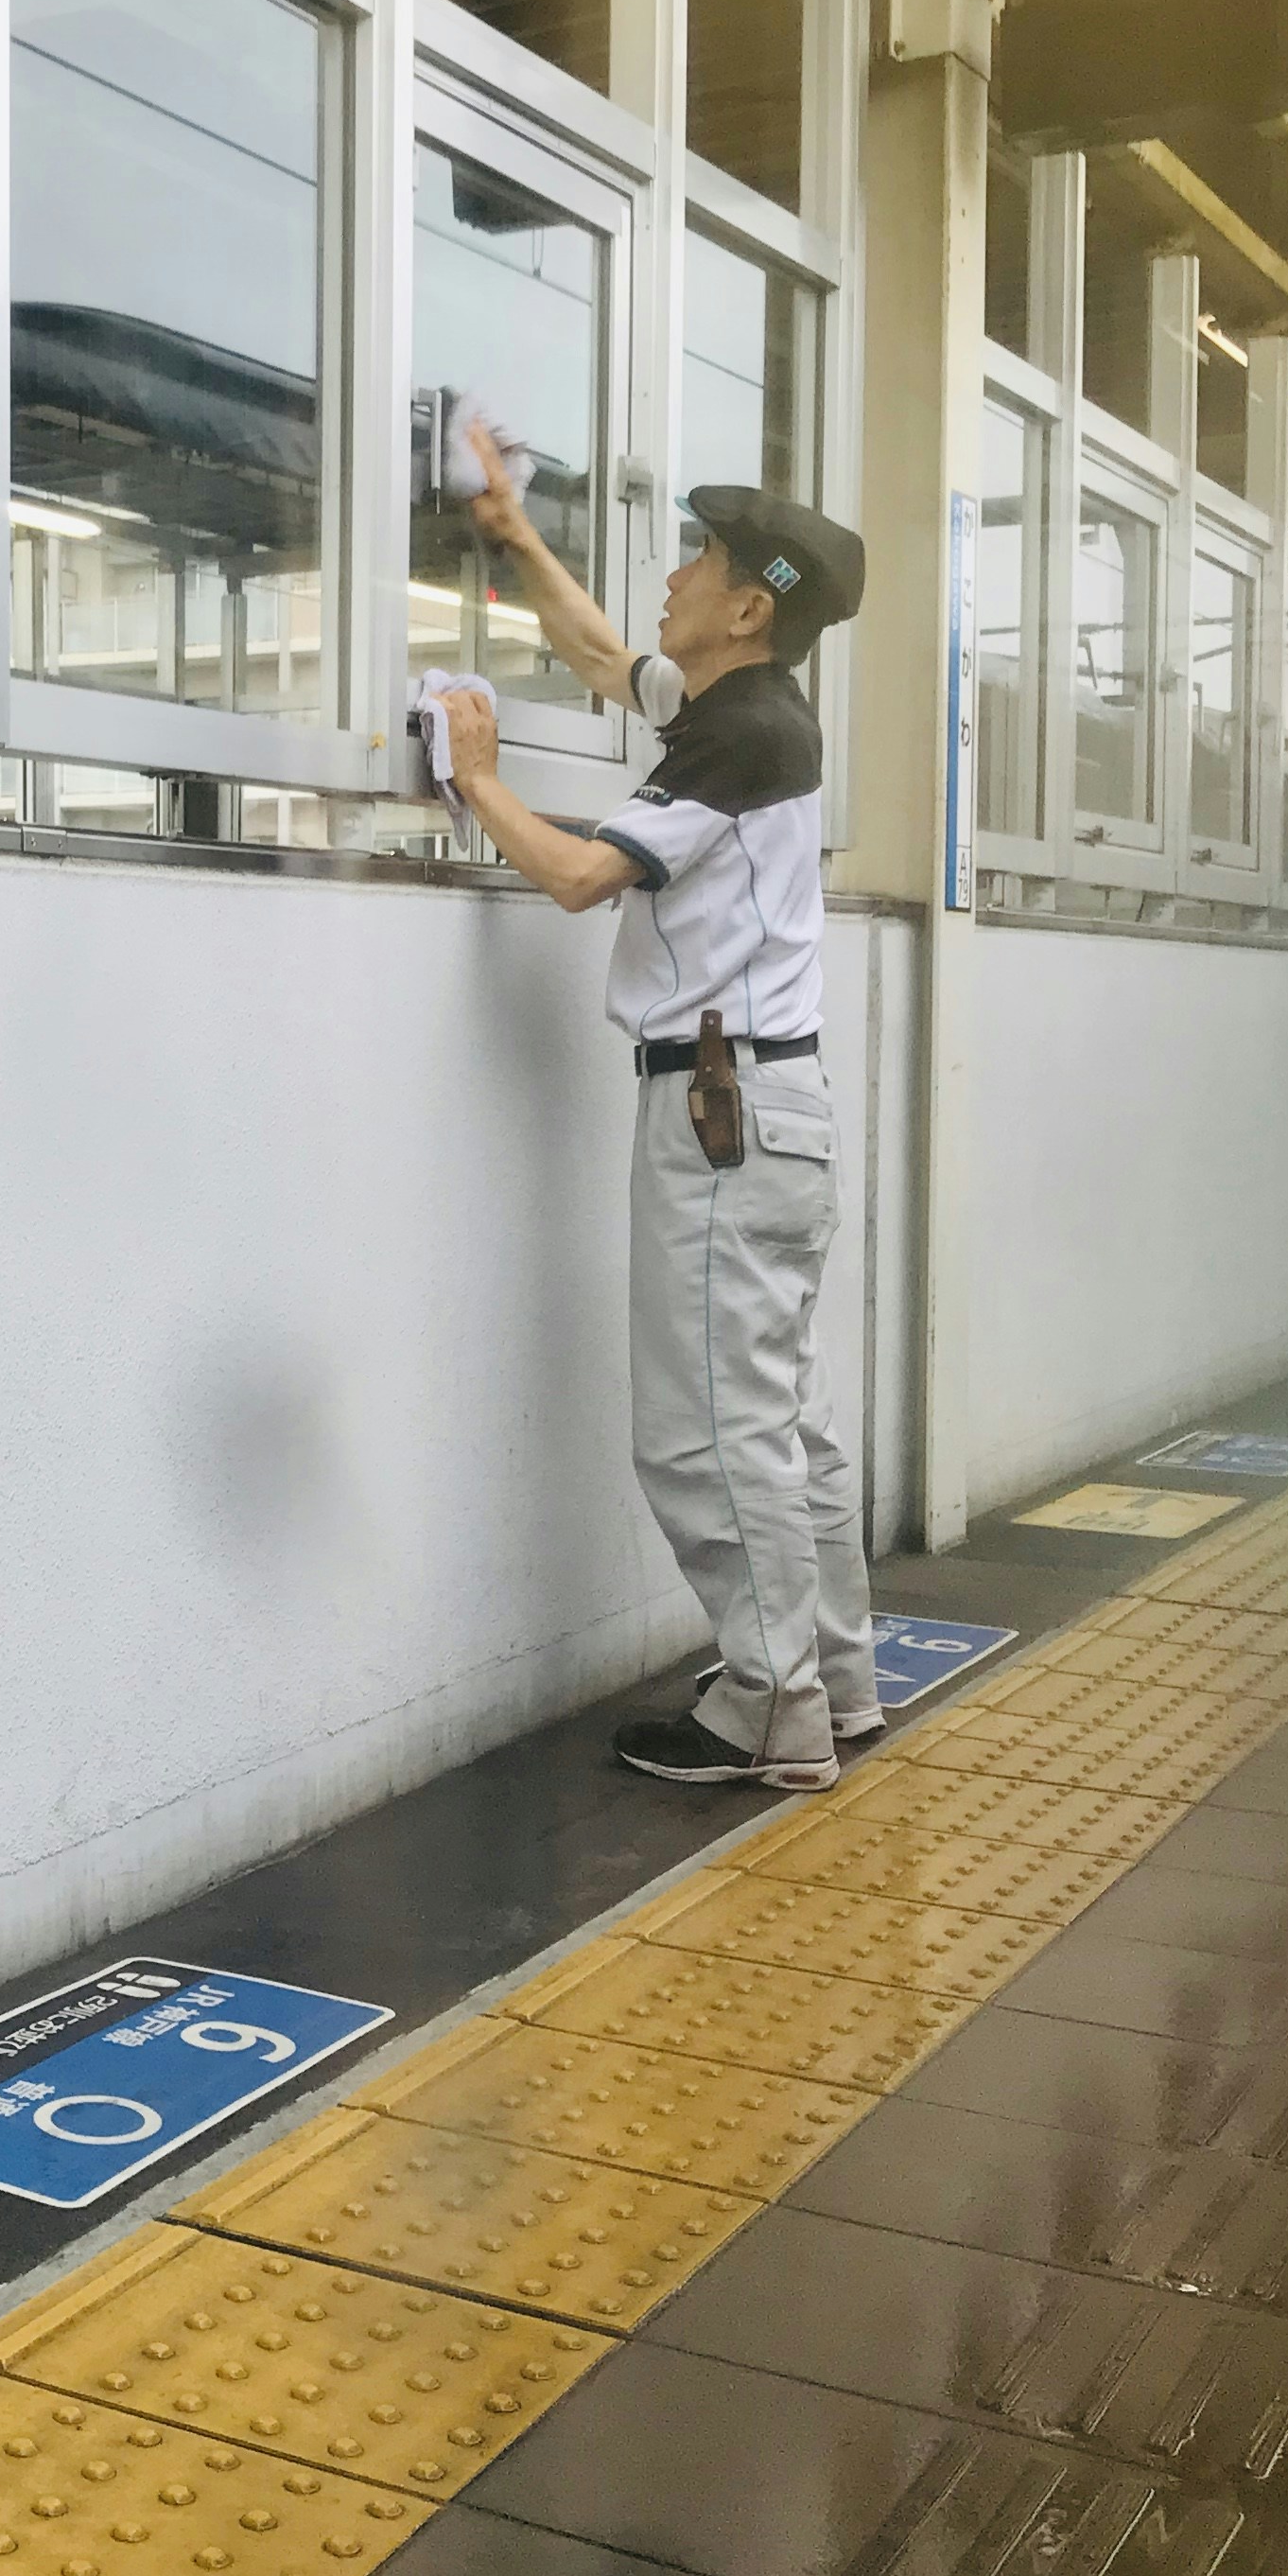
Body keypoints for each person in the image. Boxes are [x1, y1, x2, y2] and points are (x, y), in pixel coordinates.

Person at [444, 432, 877, 1790]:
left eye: (701, 561)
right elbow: (601, 658)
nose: (675, 577)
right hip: (766, 1106)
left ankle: (774, 1711)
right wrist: (517, 537)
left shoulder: (742, 737)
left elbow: (582, 879)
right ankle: (836, 1682)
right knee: (782, 1422)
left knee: (705, 1436)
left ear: (748, 608)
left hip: (720, 1118)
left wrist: (478, 776)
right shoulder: (745, 709)